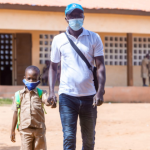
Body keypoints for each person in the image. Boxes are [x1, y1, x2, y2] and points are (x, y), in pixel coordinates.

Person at [48, 3, 106, 150]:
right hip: (67, 96)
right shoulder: (58, 40)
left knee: (89, 140)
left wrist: (100, 91)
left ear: (83, 17)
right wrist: (51, 91)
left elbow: (100, 66)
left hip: (89, 97)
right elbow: (53, 67)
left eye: (78, 15)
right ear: (66, 18)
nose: (75, 18)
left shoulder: (94, 38)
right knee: (69, 138)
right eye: (72, 16)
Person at [10, 66, 51, 150]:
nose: (31, 81)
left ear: (38, 79)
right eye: (29, 78)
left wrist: (51, 101)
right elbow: (15, 113)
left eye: (34, 79)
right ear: (24, 78)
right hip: (25, 130)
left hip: (39, 130)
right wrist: (12, 130)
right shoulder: (18, 95)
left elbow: (46, 101)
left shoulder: (41, 93)